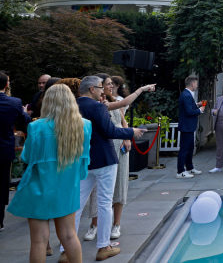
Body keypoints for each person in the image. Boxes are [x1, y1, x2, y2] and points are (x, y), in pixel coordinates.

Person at [65, 76, 145, 261]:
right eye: (101, 88)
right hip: (104, 159)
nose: (104, 91)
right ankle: (104, 246)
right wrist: (131, 132)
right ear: (92, 89)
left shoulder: (71, 106)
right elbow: (109, 131)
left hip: (82, 159)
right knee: (104, 203)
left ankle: (65, 249)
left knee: (76, 204)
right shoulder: (97, 107)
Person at [9, 84, 90, 263]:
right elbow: (84, 161)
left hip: (39, 186)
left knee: (39, 241)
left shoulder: (36, 127)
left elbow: (27, 157)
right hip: (67, 186)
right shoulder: (85, 126)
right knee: (69, 236)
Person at [1, 71, 31, 231]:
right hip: (4, 148)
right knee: (2, 184)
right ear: (6, 85)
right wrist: (24, 113)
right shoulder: (13, 102)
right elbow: (23, 121)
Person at [177, 76, 204, 178]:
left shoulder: (186, 94)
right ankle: (180, 171)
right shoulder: (187, 95)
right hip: (187, 126)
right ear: (192, 84)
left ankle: (189, 167)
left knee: (190, 148)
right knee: (184, 149)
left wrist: (197, 105)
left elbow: (188, 107)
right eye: (196, 84)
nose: (197, 86)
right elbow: (189, 111)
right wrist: (200, 110)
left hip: (188, 126)